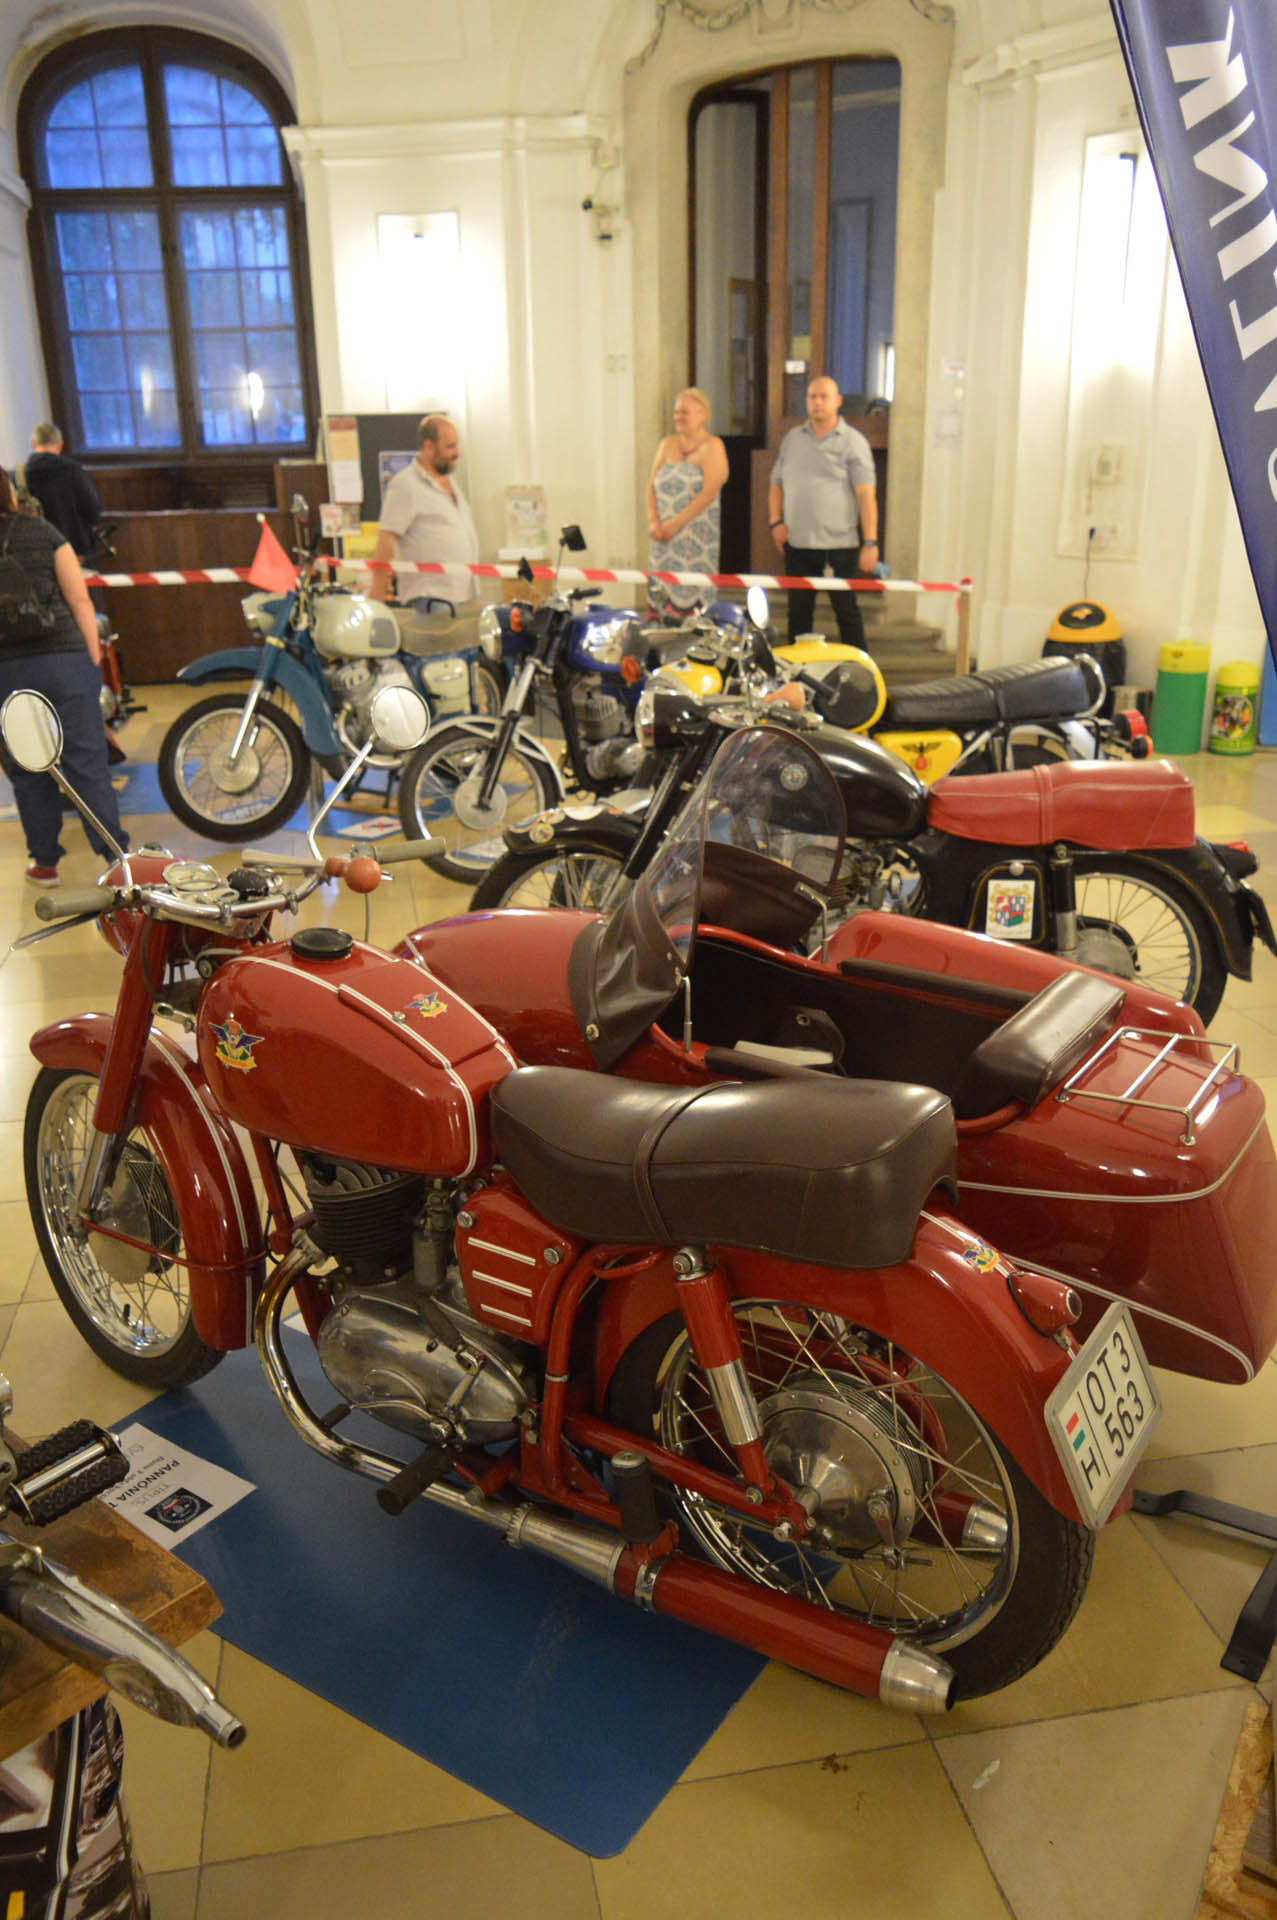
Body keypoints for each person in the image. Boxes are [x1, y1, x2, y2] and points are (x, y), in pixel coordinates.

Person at [0, 465, 128, 885]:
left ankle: (45, 863)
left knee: (29, 768)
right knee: (86, 763)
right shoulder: (44, 532)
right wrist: (92, 662)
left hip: (7, 671)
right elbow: (80, 601)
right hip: (66, 660)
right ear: (11, 493)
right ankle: (115, 858)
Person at [768, 375, 880, 647]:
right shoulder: (792, 439)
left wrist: (870, 542)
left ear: (837, 401)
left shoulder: (853, 442)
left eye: (823, 397)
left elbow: (866, 495)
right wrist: (775, 522)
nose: (817, 402)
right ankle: (798, 669)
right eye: (812, 397)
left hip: (840, 547)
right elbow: (776, 483)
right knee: (798, 614)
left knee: (847, 613)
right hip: (798, 544)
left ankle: (859, 667)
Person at [369, 415, 480, 607]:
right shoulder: (405, 485)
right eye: (450, 447)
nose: (457, 453)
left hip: (464, 595)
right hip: (430, 598)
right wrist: (377, 595)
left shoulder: (451, 483)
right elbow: (386, 540)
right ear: (429, 447)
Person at [646, 388, 729, 615]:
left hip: (696, 540)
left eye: (684, 412)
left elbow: (709, 492)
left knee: (692, 607)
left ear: (702, 414)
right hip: (663, 539)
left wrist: (676, 523)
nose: (678, 417)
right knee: (661, 599)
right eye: (676, 412)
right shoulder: (666, 444)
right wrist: (653, 521)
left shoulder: (713, 446)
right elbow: (651, 486)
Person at [24, 423, 103, 559]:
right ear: (60, 444)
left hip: (39, 551)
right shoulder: (73, 471)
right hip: (76, 549)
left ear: (32, 443)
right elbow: (93, 512)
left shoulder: (21, 474)